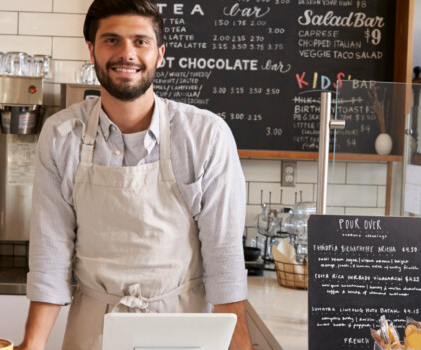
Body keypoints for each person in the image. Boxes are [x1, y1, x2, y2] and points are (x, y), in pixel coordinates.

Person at [15, 0, 251, 349]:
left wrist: (241, 345)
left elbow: (224, 258)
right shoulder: (61, 134)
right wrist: (31, 345)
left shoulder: (205, 136)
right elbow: (51, 257)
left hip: (181, 331)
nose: (127, 53)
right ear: (92, 50)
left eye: (140, 41)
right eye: (112, 40)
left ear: (160, 54)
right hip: (94, 332)